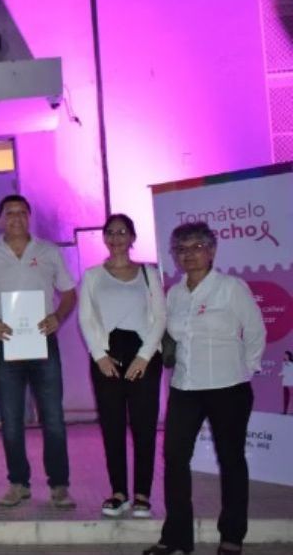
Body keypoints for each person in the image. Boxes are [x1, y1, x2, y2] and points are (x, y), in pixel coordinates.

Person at [144, 222, 266, 555]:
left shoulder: (231, 287)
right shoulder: (174, 293)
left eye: (197, 247)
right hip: (185, 387)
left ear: (211, 251)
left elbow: (255, 332)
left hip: (229, 387)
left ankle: (232, 535)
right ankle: (177, 537)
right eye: (182, 249)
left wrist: (246, 370)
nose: (189, 255)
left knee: (231, 460)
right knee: (174, 459)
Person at [0, 194, 77, 509]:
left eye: (22, 212)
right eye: (9, 213)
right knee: (11, 418)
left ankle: (59, 485)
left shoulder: (49, 251)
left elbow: (69, 293)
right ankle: (18, 483)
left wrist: (58, 316)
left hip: (44, 342)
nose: (16, 218)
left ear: (29, 218)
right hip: (5, 344)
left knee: (53, 418)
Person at [78, 214, 165, 518]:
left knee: (144, 428)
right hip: (107, 360)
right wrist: (99, 356)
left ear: (132, 238)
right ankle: (118, 492)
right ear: (104, 238)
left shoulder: (148, 273)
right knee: (112, 428)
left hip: (144, 357)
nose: (116, 238)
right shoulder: (91, 276)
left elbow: (160, 316)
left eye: (122, 232)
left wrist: (144, 356)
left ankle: (142, 494)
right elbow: (86, 318)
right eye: (111, 232)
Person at [281, 350, 293, 415]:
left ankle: (291, 411)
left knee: (291, 396)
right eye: (284, 354)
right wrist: (281, 374)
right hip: (285, 382)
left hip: (291, 382)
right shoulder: (284, 363)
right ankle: (285, 411)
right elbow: (284, 372)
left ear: (289, 355)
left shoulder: (291, 364)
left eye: (286, 355)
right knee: (285, 397)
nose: (284, 356)